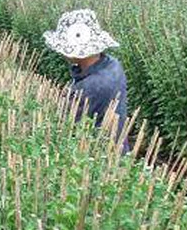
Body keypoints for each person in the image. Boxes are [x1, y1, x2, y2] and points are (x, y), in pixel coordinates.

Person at [44, 9, 130, 153]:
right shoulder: (113, 64)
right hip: (118, 147)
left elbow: (63, 129)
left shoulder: (87, 89)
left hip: (98, 156)